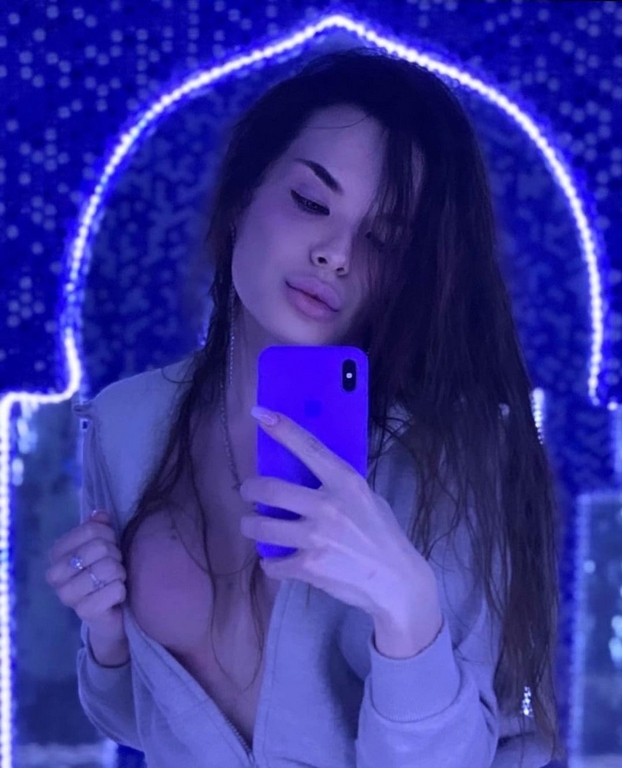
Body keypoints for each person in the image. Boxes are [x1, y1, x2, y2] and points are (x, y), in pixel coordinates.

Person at [46, 47, 564, 767]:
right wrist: (106, 634)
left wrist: (406, 608)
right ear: (241, 198)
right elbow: (135, 718)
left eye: (383, 239)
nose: (336, 254)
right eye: (312, 203)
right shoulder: (125, 425)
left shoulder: (454, 456)